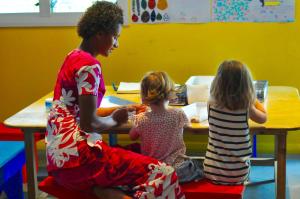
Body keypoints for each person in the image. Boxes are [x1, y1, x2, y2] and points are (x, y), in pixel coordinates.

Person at [45, 2, 185, 199]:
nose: (117, 44)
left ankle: (100, 191)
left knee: (134, 159)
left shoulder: (72, 57)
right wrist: (115, 120)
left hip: (58, 157)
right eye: (115, 37)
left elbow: (79, 113)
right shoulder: (90, 66)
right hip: (79, 159)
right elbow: (88, 122)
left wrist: (122, 109)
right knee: (164, 172)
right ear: (100, 33)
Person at [129, 71, 203, 183]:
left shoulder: (140, 119)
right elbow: (188, 127)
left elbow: (132, 136)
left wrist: (139, 116)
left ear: (144, 96)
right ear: (170, 92)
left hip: (153, 170)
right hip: (178, 170)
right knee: (198, 165)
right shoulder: (178, 114)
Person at [203, 60, 267, 185]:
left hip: (211, 170)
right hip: (238, 173)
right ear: (245, 85)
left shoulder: (210, 103)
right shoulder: (246, 106)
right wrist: (252, 99)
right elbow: (263, 118)